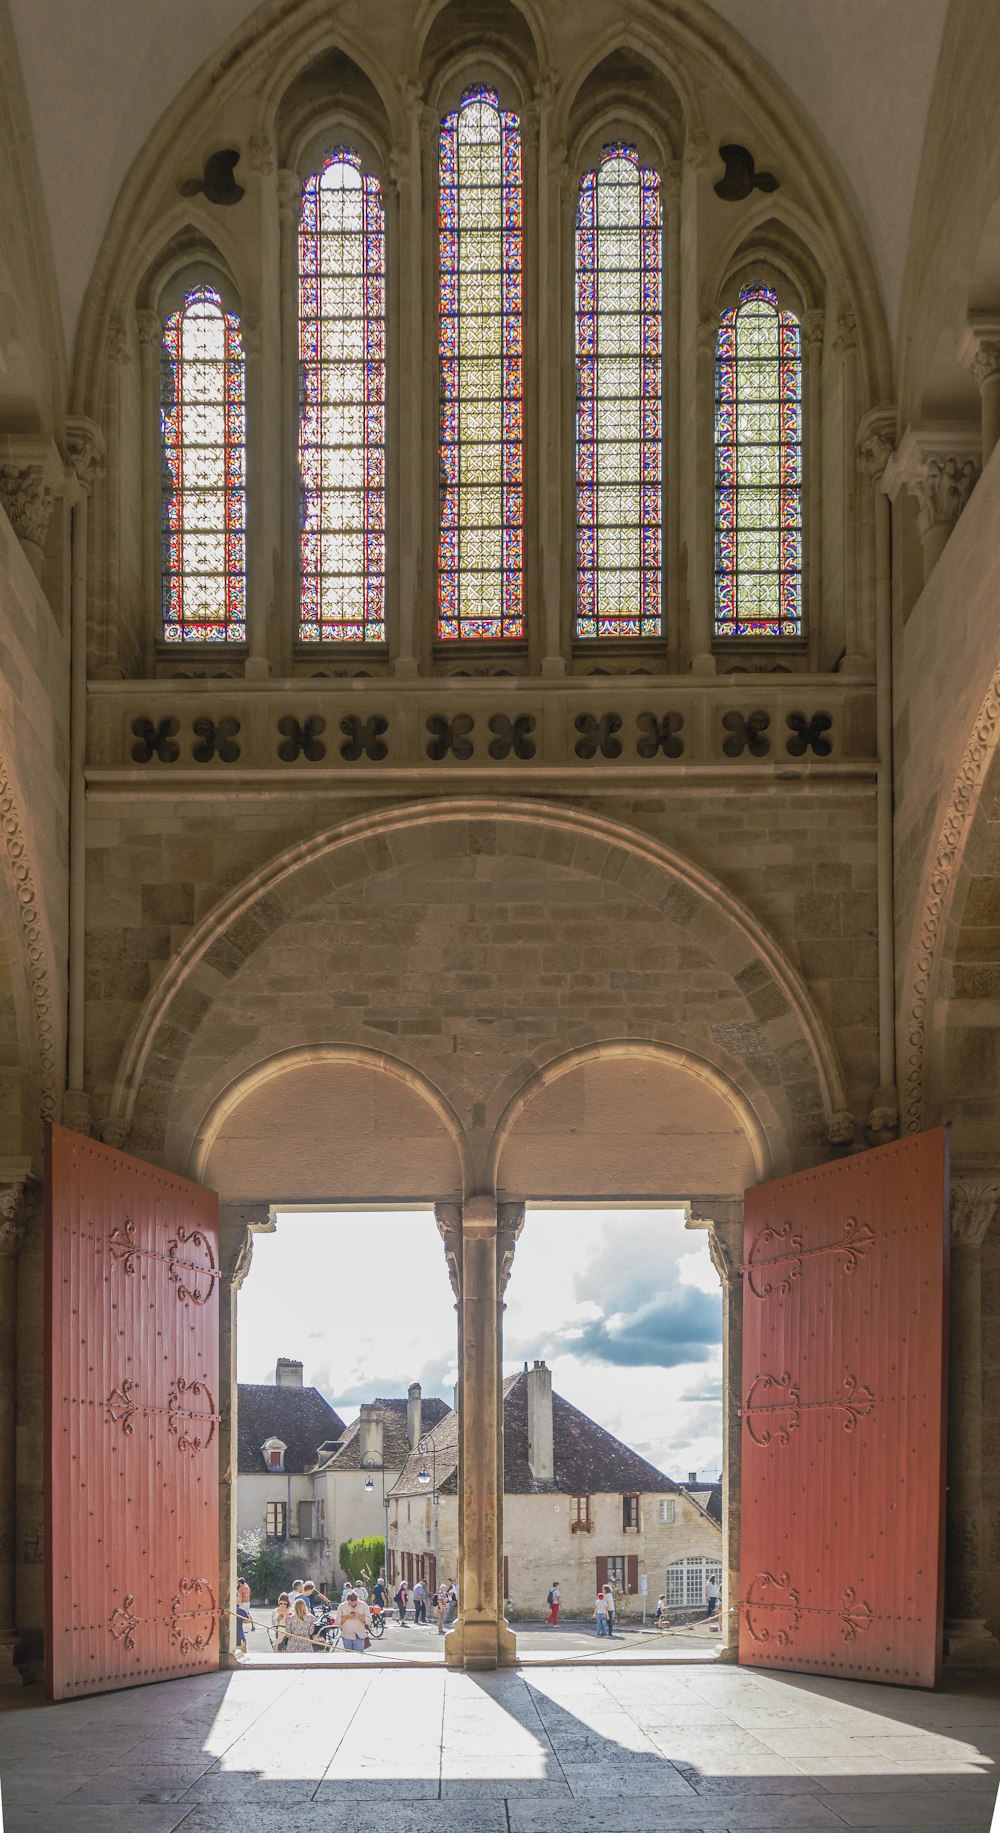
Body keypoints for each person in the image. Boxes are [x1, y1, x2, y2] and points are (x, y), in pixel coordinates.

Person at [234, 1576, 254, 1659]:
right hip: (239, 1639)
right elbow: (247, 1621)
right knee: (242, 1658)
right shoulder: (240, 1611)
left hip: (229, 1640)